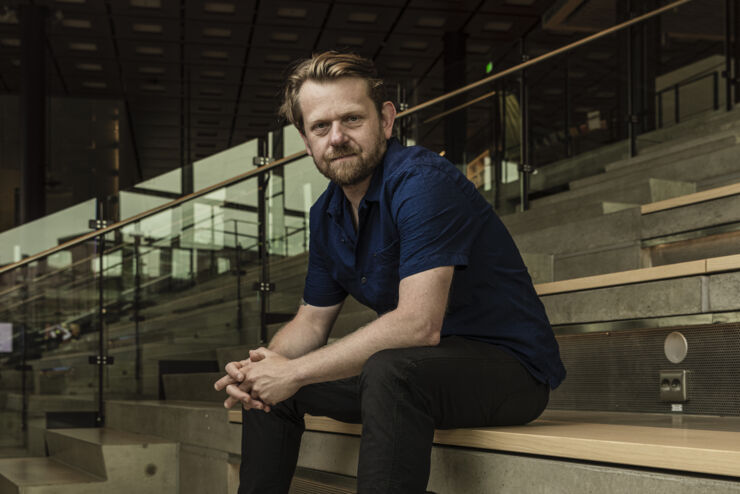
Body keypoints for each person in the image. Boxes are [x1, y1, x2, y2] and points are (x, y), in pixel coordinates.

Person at [214, 51, 566, 494]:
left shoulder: (422, 181)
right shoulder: (326, 213)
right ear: (306, 141)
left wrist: (295, 372)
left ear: (385, 120)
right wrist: (261, 369)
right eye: (321, 127)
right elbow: (311, 320)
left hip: (509, 372)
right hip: (414, 371)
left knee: (388, 369)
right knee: (271, 389)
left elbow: (418, 324)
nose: (337, 137)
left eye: (351, 119)